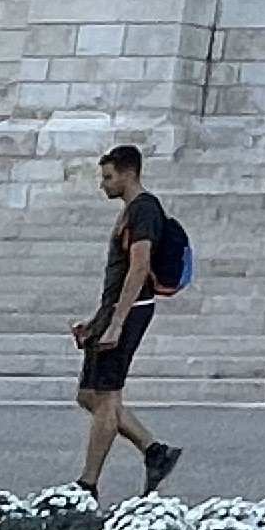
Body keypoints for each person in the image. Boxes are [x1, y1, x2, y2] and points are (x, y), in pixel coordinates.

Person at [69, 145, 181, 498]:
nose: (103, 185)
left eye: (108, 177)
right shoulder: (132, 210)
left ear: (128, 173)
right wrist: (97, 320)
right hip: (115, 308)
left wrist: (117, 322)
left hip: (130, 309)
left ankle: (88, 484)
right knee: (89, 395)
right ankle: (154, 451)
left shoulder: (144, 210)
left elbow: (139, 267)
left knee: (106, 396)